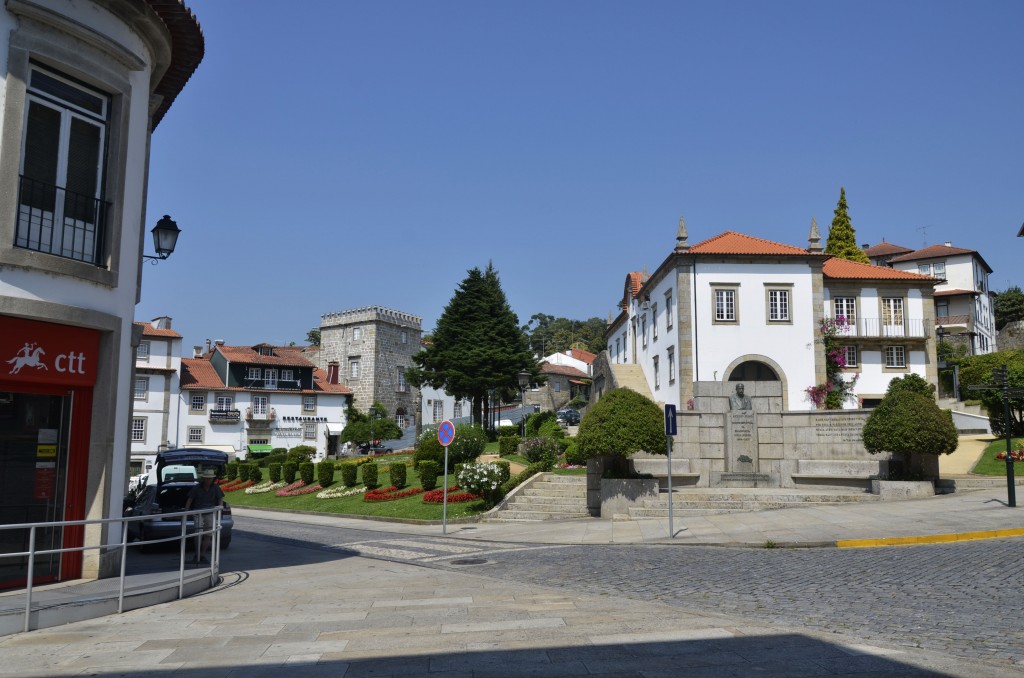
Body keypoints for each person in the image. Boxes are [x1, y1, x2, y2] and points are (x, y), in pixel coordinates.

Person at [184, 468, 224, 564]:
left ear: (212, 479)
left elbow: (220, 499)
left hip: (210, 513)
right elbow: (190, 499)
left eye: (210, 478)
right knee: (198, 533)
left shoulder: (216, 488)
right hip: (198, 513)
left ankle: (202, 555)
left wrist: (219, 510)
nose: (208, 480)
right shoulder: (197, 487)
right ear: (204, 479)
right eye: (206, 478)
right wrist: (186, 512)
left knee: (208, 535)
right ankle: (197, 555)